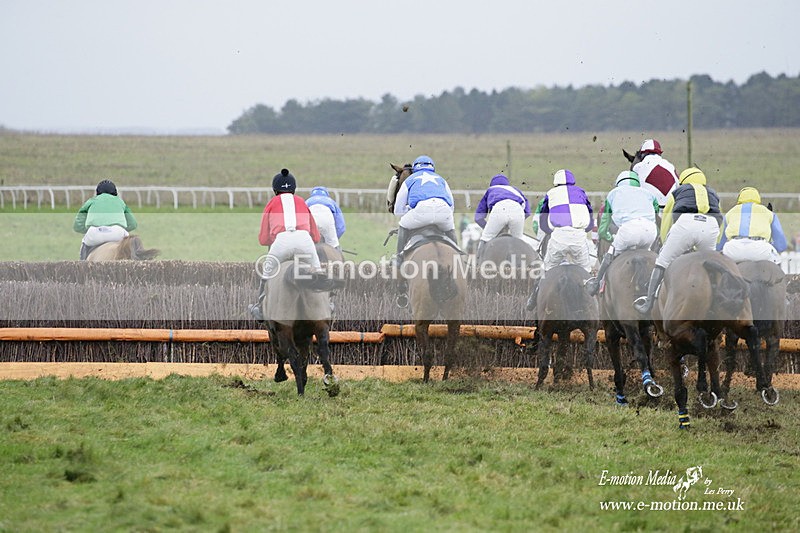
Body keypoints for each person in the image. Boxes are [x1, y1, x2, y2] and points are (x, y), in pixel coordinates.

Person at [633, 167, 722, 314]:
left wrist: (665, 241)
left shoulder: (678, 192)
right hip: (710, 226)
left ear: (683, 181)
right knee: (710, 267)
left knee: (661, 262)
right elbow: (720, 221)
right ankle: (715, 305)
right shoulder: (713, 194)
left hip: (685, 223)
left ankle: (648, 302)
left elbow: (667, 219)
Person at [248, 168, 324, 321]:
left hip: (281, 241)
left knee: (266, 273)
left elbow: (263, 239)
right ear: (294, 189)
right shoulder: (302, 202)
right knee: (318, 271)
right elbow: (315, 236)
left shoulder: (271, 204)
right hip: (304, 240)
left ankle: (260, 307)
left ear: (275, 190)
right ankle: (327, 304)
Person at [526, 169, 594, 313]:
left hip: (558, 237)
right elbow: (590, 215)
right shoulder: (581, 192)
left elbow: (543, 218)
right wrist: (584, 230)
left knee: (546, 271)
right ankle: (593, 304)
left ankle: (533, 298)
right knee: (586, 274)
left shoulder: (551, 193)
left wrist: (550, 232)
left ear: (556, 183)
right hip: (579, 237)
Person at [393, 155, 457, 307]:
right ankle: (459, 256)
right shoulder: (441, 179)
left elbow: (398, 210)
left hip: (421, 211)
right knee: (451, 228)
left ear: (415, 168)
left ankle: (399, 257)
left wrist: (410, 211)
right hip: (444, 212)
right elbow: (451, 206)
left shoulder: (410, 180)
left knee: (403, 223)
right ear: (432, 167)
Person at [585, 171, 659, 296]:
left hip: (629, 230)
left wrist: (609, 237)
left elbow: (603, 229)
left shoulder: (613, 194)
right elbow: (656, 212)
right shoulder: (648, 194)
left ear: (618, 183)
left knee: (610, 254)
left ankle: (596, 283)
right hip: (650, 230)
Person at [717, 186, 787, 264]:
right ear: (758, 199)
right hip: (760, 249)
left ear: (739, 199)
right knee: (777, 261)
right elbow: (781, 245)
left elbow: (720, 243)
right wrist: (770, 246)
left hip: (734, 249)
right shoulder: (769, 213)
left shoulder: (730, 213)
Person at [73, 179, 138, 260]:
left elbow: (77, 225)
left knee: (84, 243)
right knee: (130, 245)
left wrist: (85, 229)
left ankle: (82, 266)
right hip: (117, 233)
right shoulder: (120, 201)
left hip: (95, 233)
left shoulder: (91, 201)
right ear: (115, 192)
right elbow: (133, 224)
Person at [473, 173, 531, 256]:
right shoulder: (516, 190)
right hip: (518, 210)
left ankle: (477, 264)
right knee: (519, 242)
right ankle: (523, 264)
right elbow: (527, 212)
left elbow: (478, 218)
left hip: (499, 209)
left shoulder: (491, 189)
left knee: (486, 237)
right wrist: (513, 224)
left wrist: (491, 227)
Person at [632, 139, 680, 209]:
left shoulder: (637, 167)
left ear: (643, 154)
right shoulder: (670, 166)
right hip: (670, 210)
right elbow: (678, 187)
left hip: (649, 211)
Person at [306, 186, 346, 250]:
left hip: (311, 222)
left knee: (306, 246)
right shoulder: (331, 202)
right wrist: (334, 240)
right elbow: (341, 227)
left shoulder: (307, 201)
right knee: (334, 247)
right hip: (327, 222)